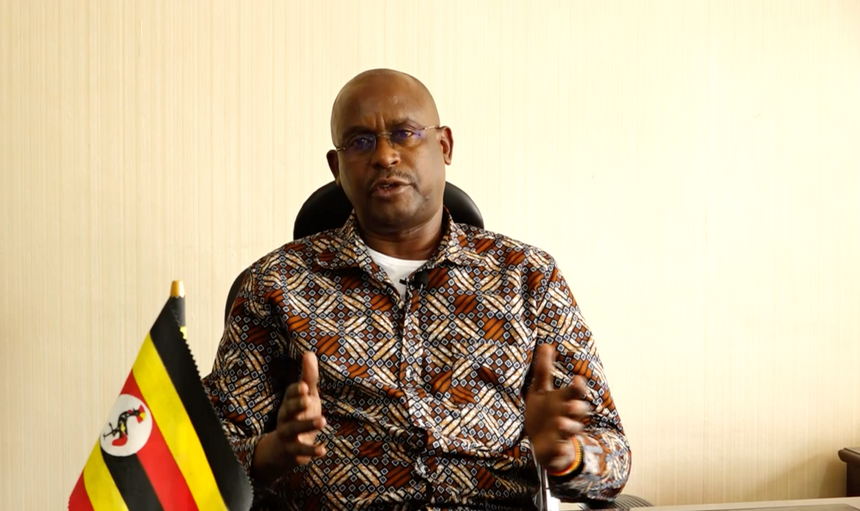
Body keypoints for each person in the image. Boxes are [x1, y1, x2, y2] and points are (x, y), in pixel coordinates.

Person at [203, 69, 631, 510]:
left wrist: (567, 455)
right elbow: (203, 456)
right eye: (360, 142)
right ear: (336, 168)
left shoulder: (526, 277)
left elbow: (613, 454)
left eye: (404, 133)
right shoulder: (276, 283)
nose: (385, 156)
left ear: (444, 146)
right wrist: (271, 453)